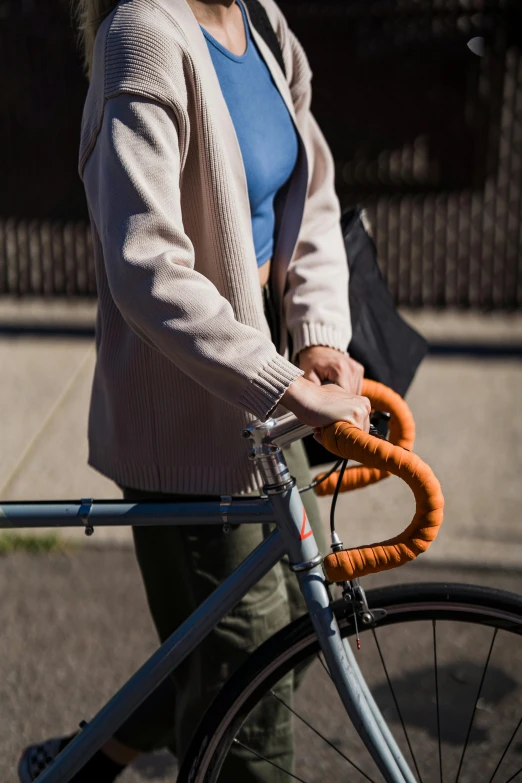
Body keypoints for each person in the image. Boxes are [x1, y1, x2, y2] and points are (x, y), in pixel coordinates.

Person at [18, 0, 370, 780]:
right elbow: (145, 267)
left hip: (270, 406)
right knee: (252, 707)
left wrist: (317, 336)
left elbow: (310, 193)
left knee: (290, 636)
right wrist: (281, 381)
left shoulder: (263, 20)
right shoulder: (143, 34)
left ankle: (80, 761)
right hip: (189, 431)